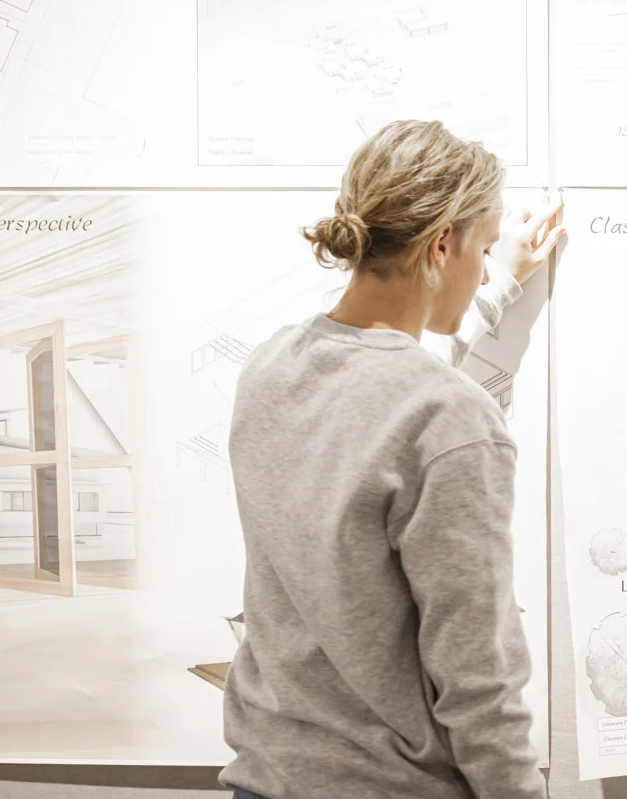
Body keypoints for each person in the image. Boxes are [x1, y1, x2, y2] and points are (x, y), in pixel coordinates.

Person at [219, 120, 565, 799]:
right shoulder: (451, 420)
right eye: (485, 250)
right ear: (442, 246)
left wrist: (497, 287)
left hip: (266, 778)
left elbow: (379, 392)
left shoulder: (270, 366)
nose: (487, 269)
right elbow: (477, 676)